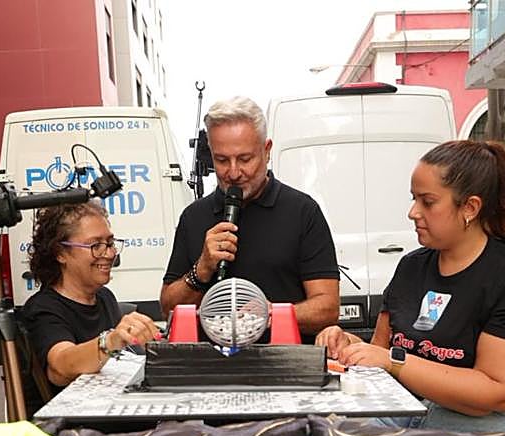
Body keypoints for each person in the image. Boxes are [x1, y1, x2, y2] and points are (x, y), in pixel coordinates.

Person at [316, 140, 505, 433]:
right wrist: (349, 346)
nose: (413, 212)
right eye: (413, 199)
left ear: (470, 207)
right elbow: (381, 350)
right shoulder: (411, 267)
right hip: (415, 407)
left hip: (494, 424)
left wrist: (394, 362)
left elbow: (496, 393)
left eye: (427, 202)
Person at [160, 96, 339, 338]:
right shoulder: (193, 217)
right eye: (222, 160)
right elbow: (168, 309)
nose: (233, 172)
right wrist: (202, 269)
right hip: (209, 368)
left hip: (284, 368)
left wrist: (270, 315)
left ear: (266, 151)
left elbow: (327, 309)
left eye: (245, 159)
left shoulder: (302, 211)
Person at [19, 202, 160, 412]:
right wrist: (110, 341)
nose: (109, 253)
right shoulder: (43, 309)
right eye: (95, 245)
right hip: (76, 431)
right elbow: (60, 366)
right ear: (60, 253)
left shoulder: (104, 298)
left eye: (110, 243)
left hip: (115, 414)